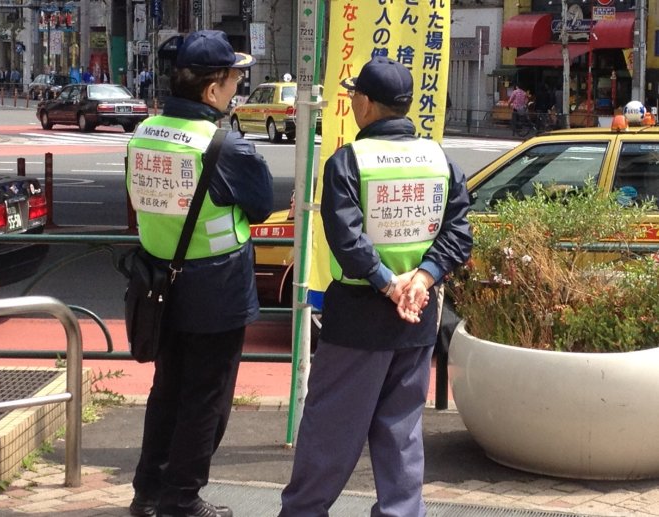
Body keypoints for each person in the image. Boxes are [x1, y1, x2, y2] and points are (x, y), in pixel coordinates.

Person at [278, 56, 473, 517]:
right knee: (401, 432)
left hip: (359, 317)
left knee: (331, 428)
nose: (351, 102)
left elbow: (347, 240)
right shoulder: (439, 160)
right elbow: (459, 233)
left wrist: (389, 285)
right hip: (418, 314)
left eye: (354, 95)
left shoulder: (349, 161)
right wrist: (421, 278)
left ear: (365, 103)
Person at [126, 30, 273, 517]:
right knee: (206, 399)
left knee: (166, 391)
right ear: (212, 90)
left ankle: (148, 492)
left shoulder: (144, 133)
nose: (237, 89)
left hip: (157, 284)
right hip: (217, 288)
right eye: (233, 80)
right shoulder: (226, 147)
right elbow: (261, 206)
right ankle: (183, 499)